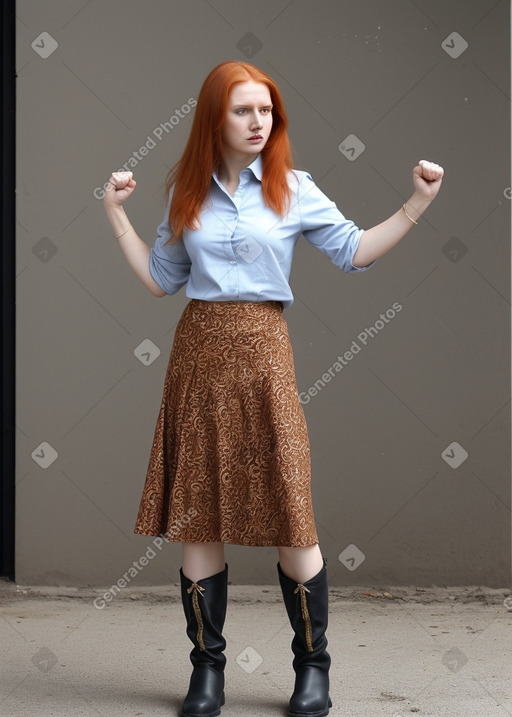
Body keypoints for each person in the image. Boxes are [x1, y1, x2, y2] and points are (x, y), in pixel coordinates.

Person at [103, 60, 444, 717]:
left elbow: (355, 251)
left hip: (265, 357)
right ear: (214, 118)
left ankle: (312, 669)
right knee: (198, 514)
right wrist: (115, 213)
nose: (259, 121)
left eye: (267, 110)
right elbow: (158, 279)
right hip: (199, 356)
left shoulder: (295, 187)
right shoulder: (189, 193)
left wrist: (417, 203)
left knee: (292, 511)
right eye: (243, 110)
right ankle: (208, 672)